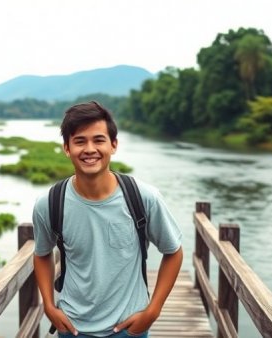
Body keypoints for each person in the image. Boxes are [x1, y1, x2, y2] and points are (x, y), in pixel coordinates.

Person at [32, 101, 183, 337]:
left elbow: (173, 251)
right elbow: (41, 254)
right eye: (80, 141)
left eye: (99, 140)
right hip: (73, 328)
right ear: (67, 148)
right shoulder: (50, 203)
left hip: (129, 327)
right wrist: (49, 306)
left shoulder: (144, 198)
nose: (90, 149)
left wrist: (153, 310)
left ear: (113, 145)